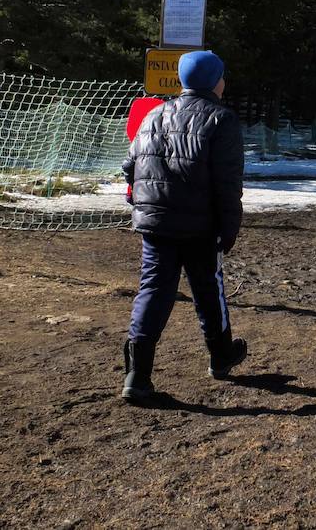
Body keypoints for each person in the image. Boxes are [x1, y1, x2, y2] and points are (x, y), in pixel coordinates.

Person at [120, 50, 246, 401]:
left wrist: (143, 203)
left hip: (156, 223)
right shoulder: (222, 120)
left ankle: (136, 375)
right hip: (200, 226)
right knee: (208, 289)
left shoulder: (155, 114)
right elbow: (227, 184)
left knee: (153, 291)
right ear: (215, 81)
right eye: (222, 75)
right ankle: (221, 356)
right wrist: (229, 228)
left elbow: (129, 168)